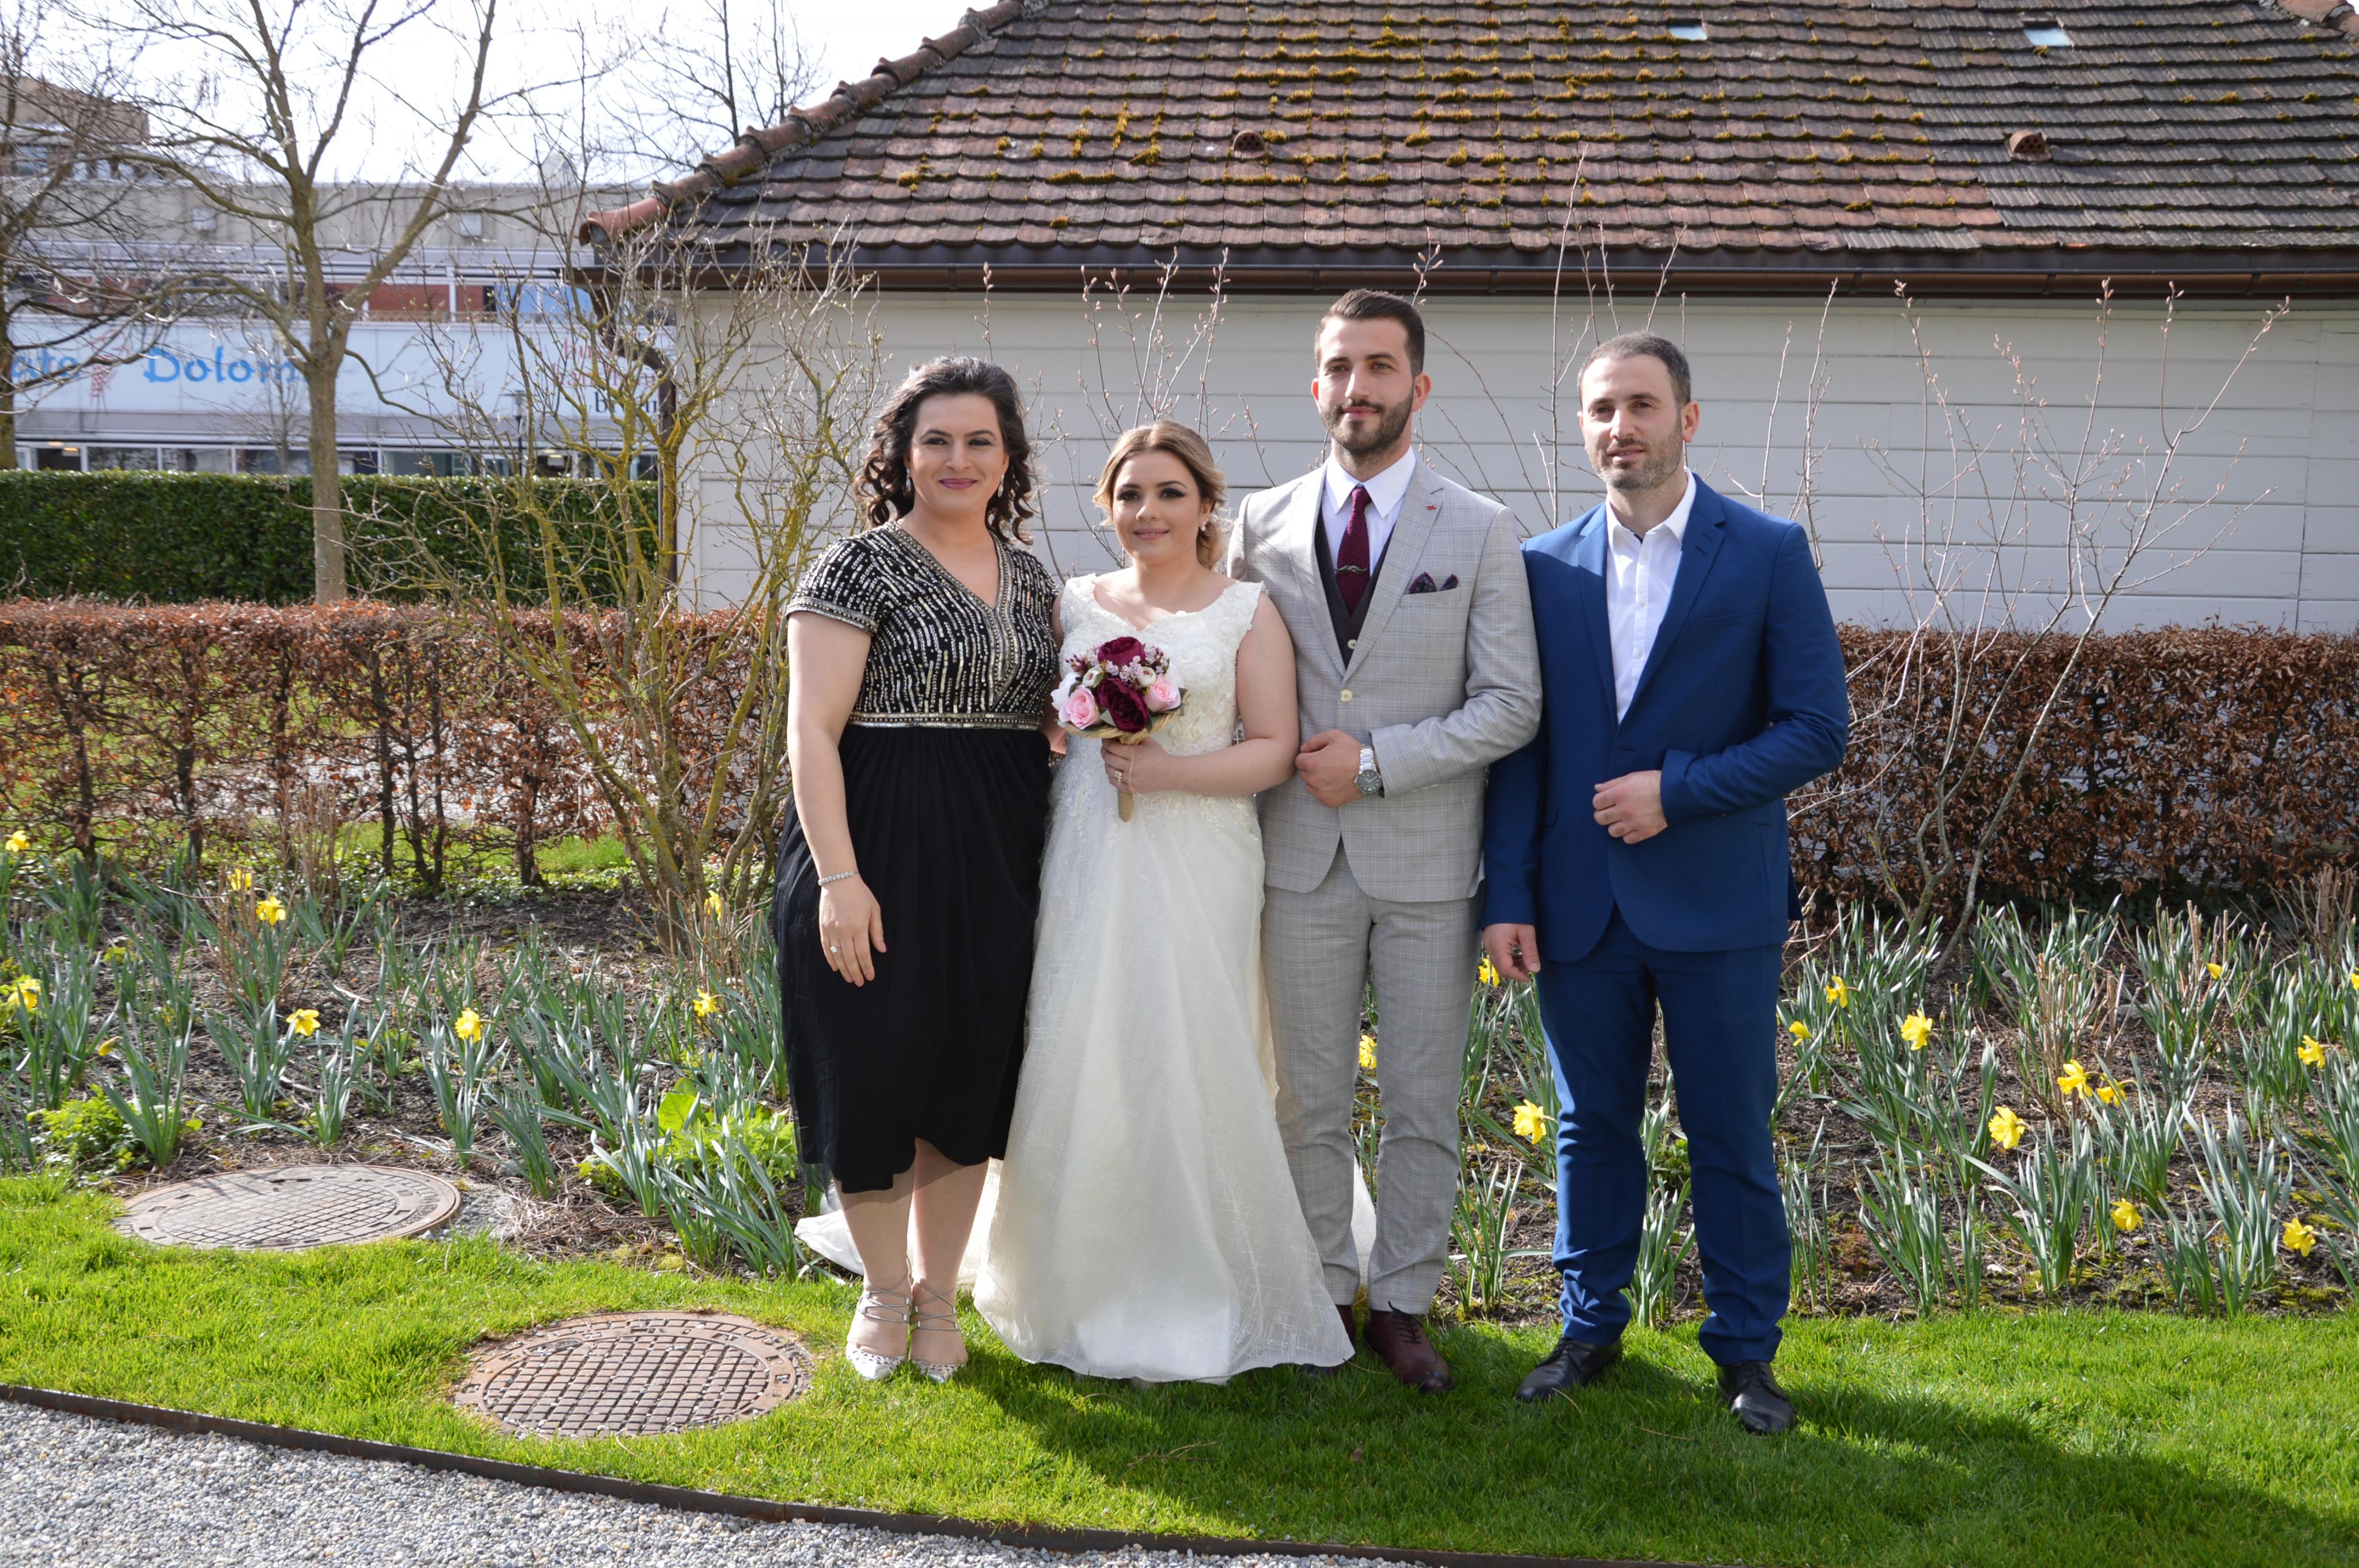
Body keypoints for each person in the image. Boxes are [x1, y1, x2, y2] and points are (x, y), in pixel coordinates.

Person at [1480, 332, 1848, 1434]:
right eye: (1601, 409)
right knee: (1590, 1128)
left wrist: (1676, 792)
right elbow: (1522, 746)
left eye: (1641, 405)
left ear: (1687, 418)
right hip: (1580, 906)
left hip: (1718, 902)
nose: (1620, 427)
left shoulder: (1767, 552)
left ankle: (1746, 1355)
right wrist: (1508, 894)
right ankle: (1588, 1331)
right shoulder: (1541, 565)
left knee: (1729, 1132)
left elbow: (1817, 728)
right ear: (1582, 426)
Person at [976, 421, 1351, 1382]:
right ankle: (1078, 1272)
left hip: (1202, 856)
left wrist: (1167, 770)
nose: (1147, 512)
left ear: (1206, 506)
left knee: (1189, 1038)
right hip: (1090, 851)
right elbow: (1043, 721)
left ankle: (1200, 1274)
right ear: (1107, 507)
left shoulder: (1246, 612)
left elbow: (1274, 750)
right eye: (1130, 495)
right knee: (1087, 1033)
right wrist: (1077, 728)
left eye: (1169, 494)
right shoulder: (1074, 603)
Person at [1226, 290, 1541, 1393]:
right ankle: (1319, 1293)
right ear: (1317, 385)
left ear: (1418, 385)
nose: (1357, 388)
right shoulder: (1258, 524)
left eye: (1380, 367)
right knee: (1305, 1099)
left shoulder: (1482, 528)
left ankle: (1403, 1301)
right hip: (1296, 859)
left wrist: (1374, 763)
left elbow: (1512, 704)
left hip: (1427, 866)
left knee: (1419, 1101)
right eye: (1340, 368)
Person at [773, 356, 1061, 1383]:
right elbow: (811, 732)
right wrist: (839, 880)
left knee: (966, 1074)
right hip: (876, 844)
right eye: (935, 439)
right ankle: (884, 1292)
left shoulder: (1035, 579)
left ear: (1008, 459)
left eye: (980, 440)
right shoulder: (854, 568)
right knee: (874, 1069)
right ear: (901, 454)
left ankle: (941, 1298)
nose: (957, 459)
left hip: (1000, 854)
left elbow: (1045, 716)